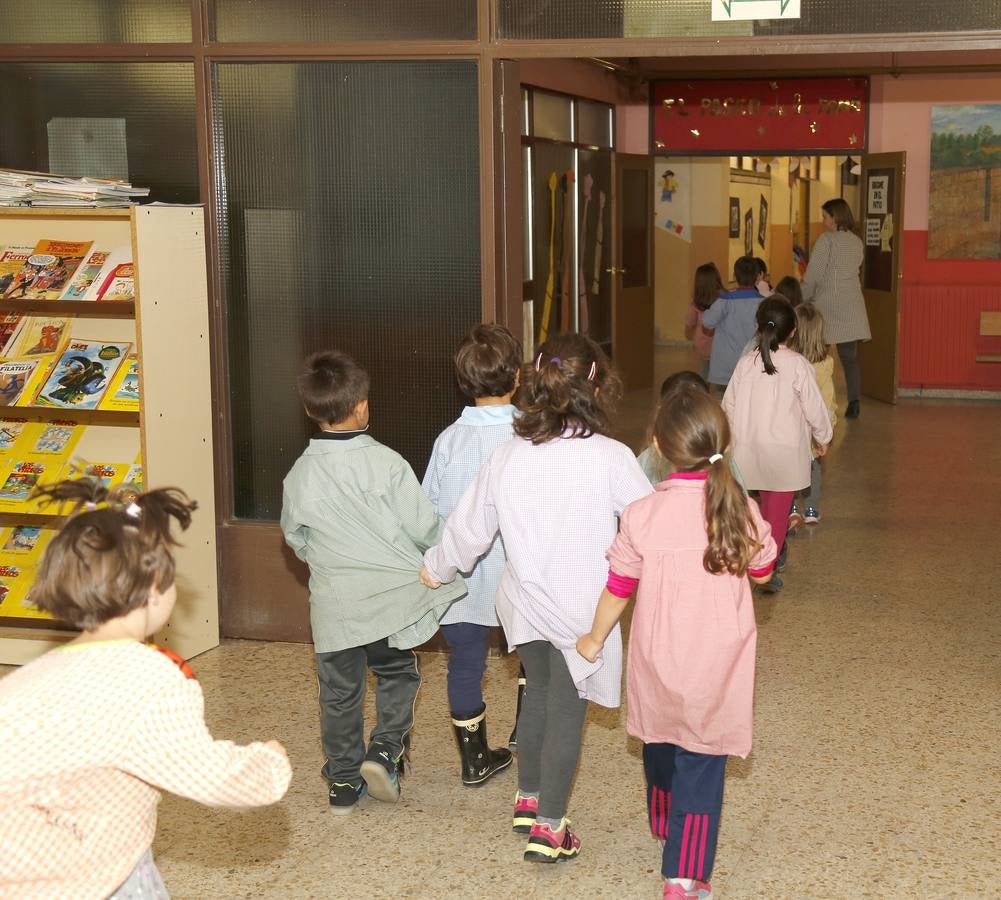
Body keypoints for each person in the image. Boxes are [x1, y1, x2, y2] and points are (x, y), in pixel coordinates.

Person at [420, 334, 652, 863]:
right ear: (597, 382)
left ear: (535, 380)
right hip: (582, 613)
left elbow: (468, 529)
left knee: (541, 693)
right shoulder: (612, 458)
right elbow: (649, 524)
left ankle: (528, 799)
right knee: (566, 711)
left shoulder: (509, 454)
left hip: (523, 601)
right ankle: (550, 827)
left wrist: (435, 569)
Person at [0, 479, 291, 898]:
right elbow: (201, 771)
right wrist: (266, 766)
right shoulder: (149, 676)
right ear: (155, 590)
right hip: (99, 873)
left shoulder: (35, 673)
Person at [576, 389, 776, 900]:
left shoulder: (641, 514)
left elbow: (618, 587)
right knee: (703, 763)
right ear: (724, 446)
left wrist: (594, 639)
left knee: (660, 742)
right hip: (717, 666)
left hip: (658, 659)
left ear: (659, 449)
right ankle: (683, 879)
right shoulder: (740, 510)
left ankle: (664, 812)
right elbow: (764, 570)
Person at [280, 351, 466, 815]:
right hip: (392, 603)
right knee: (397, 673)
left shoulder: (299, 475)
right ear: (363, 406)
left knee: (339, 692)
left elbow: (294, 537)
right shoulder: (388, 464)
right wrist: (453, 550)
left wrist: (326, 563)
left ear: (308, 410)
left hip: (336, 607)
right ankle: (384, 750)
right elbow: (424, 527)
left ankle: (342, 780)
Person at [422, 323, 520, 786]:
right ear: (518, 377)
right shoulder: (530, 436)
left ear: (462, 382)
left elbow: (431, 511)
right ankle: (529, 733)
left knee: (465, 663)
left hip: (460, 583)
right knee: (535, 658)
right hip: (520, 577)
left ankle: (474, 758)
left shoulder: (449, 441)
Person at [722, 296, 833, 592]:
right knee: (776, 514)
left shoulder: (745, 364)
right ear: (793, 332)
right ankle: (766, 566)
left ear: (758, 328)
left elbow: (727, 406)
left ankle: (750, 555)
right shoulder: (798, 364)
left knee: (749, 507)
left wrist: (726, 444)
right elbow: (815, 408)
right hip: (785, 456)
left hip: (747, 451)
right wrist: (823, 438)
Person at [801, 198, 870, 419]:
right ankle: (854, 402)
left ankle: (818, 399)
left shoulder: (826, 241)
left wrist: (804, 297)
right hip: (851, 304)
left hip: (827, 306)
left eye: (825, 216)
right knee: (849, 357)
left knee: (818, 355)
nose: (823, 221)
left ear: (835, 217)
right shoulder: (857, 242)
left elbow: (813, 275)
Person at [787, 304, 837, 532]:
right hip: (813, 430)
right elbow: (827, 400)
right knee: (813, 469)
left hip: (788, 429)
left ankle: (791, 507)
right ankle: (811, 509)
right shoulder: (825, 364)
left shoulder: (785, 361)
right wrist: (825, 434)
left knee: (788, 470)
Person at [701, 256, 763, 390]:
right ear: (758, 277)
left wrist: (707, 310)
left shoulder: (724, 302)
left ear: (734, 276)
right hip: (754, 365)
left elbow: (707, 322)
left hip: (726, 369)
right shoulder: (764, 303)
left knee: (726, 404)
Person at [683, 263, 722, 380]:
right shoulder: (723, 300)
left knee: (705, 368)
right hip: (719, 343)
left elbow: (690, 323)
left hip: (702, 343)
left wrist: (689, 330)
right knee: (719, 370)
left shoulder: (696, 302)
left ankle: (703, 388)